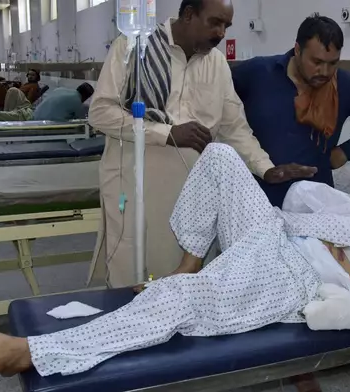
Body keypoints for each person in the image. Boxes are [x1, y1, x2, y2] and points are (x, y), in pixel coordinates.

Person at [0, 143, 350, 378]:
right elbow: (302, 204)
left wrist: (349, 315)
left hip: (299, 279)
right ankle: (189, 267)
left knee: (178, 300)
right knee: (220, 155)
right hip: (279, 236)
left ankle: (33, 352)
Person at [87, 0, 316, 288]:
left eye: (226, 26)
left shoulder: (217, 64)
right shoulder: (134, 47)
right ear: (188, 15)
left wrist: (265, 168)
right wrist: (166, 133)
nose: (221, 33)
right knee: (131, 278)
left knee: (185, 282)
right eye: (215, 22)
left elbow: (234, 127)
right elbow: (100, 113)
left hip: (194, 197)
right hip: (136, 188)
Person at [232, 14, 350, 207]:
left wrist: (346, 151)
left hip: (314, 205)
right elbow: (217, 98)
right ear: (297, 50)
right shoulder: (258, 73)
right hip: (256, 201)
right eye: (316, 62)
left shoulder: (342, 85)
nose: (325, 72)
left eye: (333, 63)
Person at [0, 83, 94, 122]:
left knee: (0, 115)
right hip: (31, 118)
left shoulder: (61, 89)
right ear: (86, 96)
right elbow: (82, 122)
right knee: (0, 116)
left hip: (30, 112)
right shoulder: (77, 102)